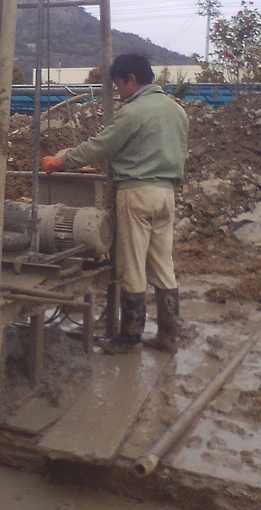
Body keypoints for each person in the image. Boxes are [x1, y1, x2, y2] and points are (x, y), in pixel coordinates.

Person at [41, 53, 189, 355]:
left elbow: (100, 146)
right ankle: (169, 335)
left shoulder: (132, 113)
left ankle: (130, 336)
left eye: (119, 84)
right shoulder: (177, 111)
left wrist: (62, 160)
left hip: (136, 193)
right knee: (163, 265)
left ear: (131, 80)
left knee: (131, 265)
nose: (118, 92)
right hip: (166, 194)